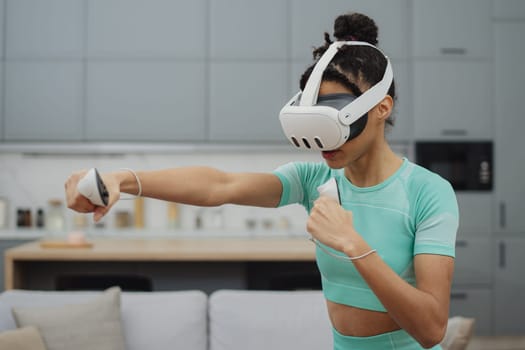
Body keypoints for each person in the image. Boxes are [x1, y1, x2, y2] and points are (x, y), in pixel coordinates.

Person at [65, 12, 458, 350]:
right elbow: (219, 186)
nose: (321, 140)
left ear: (380, 108)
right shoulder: (316, 177)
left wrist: (353, 244)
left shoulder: (428, 193)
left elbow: (430, 327)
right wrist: (123, 179)